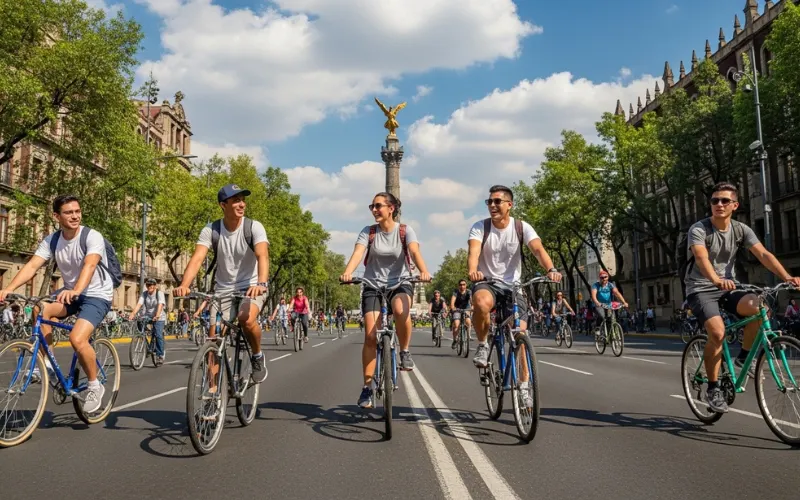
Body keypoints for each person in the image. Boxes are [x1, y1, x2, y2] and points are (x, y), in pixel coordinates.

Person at [685, 182, 800, 413]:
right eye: (714, 200)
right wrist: (716, 280)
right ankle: (713, 388)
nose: (718, 204)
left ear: (734, 205)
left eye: (724, 201)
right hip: (701, 288)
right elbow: (701, 258)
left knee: (761, 308)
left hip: (729, 286)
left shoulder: (741, 229)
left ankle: (743, 359)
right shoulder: (699, 229)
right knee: (717, 333)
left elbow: (764, 254)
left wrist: (788, 277)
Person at [0, 194, 113, 413]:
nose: (75, 216)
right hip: (70, 293)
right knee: (39, 309)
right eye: (69, 212)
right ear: (56, 216)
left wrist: (76, 290)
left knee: (77, 339)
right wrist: (9, 288)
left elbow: (90, 265)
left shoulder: (92, 236)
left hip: (97, 294)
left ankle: (94, 385)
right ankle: (48, 364)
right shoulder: (52, 240)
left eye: (77, 211)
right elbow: (32, 266)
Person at [468, 185, 562, 408]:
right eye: (489, 202)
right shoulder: (480, 228)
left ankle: (524, 387)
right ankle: (482, 344)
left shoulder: (521, 227)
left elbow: (538, 250)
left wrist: (551, 269)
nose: (492, 205)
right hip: (487, 282)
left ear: (509, 205)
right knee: (481, 303)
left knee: (521, 335)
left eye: (497, 202)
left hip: (513, 287)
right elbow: (473, 252)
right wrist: (473, 270)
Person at [339, 191, 431, 409]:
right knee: (371, 336)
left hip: (400, 283)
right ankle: (367, 387)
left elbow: (414, 251)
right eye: (372, 206)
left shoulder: (405, 231)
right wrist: (347, 272)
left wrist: (424, 271)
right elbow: (358, 253)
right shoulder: (368, 232)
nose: (374, 210)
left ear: (391, 208)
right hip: (372, 285)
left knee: (400, 310)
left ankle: (405, 351)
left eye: (378, 206)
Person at [174, 184, 269, 384]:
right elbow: (197, 259)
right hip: (223, 290)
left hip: (251, 286)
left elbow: (263, 256)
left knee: (246, 318)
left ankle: (258, 355)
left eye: (243, 199)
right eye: (236, 200)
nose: (242, 204)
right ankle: (212, 394)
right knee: (213, 338)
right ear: (223, 205)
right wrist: (184, 284)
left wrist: (261, 282)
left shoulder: (253, 227)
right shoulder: (211, 230)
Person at [128, 278, 167, 363]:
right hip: (147, 316)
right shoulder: (144, 294)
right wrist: (133, 314)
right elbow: (139, 304)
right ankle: (146, 344)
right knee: (140, 324)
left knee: (158, 334)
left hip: (159, 317)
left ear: (155, 286)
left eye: (152, 285)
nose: (150, 287)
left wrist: (157, 315)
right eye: (148, 285)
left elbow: (160, 305)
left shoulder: (159, 294)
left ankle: (160, 354)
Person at [450, 279, 473, 348]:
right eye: (460, 285)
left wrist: (472, 307)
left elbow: (472, 301)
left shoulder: (469, 292)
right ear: (458, 286)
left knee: (468, 321)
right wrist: (453, 307)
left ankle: (468, 336)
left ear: (466, 285)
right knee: (456, 324)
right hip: (457, 309)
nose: (462, 286)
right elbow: (452, 302)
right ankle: (455, 340)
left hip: (466, 308)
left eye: (464, 284)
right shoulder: (456, 292)